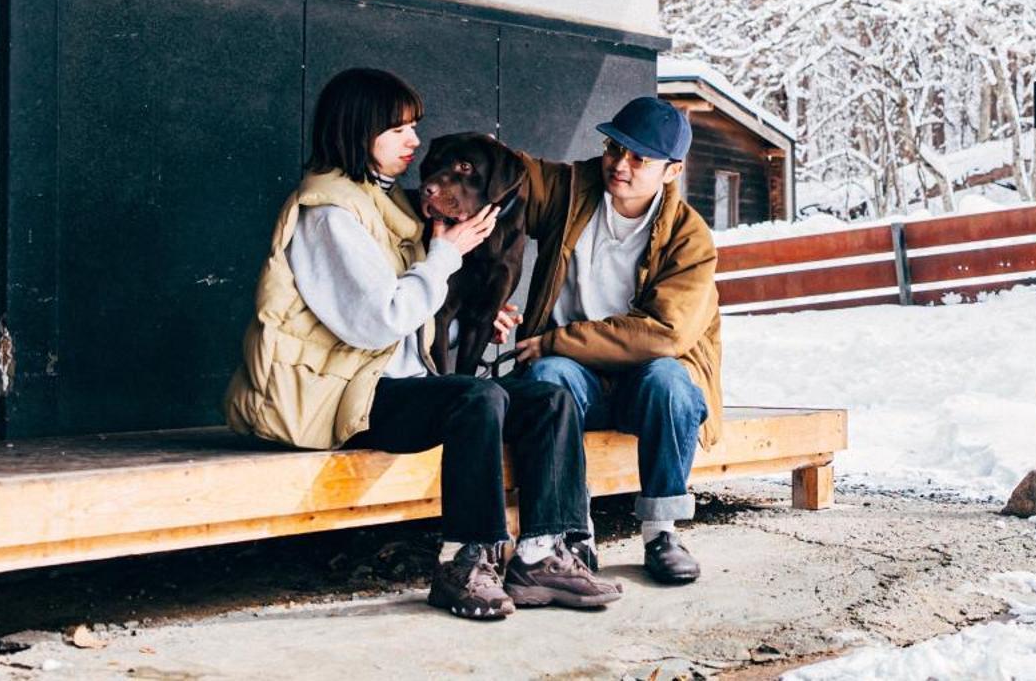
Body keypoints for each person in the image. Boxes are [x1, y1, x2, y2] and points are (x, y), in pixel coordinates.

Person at [224, 67, 621, 620]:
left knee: (547, 398)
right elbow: (377, 321)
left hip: (392, 383)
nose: (414, 143)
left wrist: (466, 325)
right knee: (475, 398)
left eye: (414, 128)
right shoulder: (329, 213)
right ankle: (464, 561)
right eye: (397, 130)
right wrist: (445, 256)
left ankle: (539, 555)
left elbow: (409, 322)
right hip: (338, 400)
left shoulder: (382, 202)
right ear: (357, 132)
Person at [494, 95, 721, 586]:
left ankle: (662, 532)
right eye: (614, 147)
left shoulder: (690, 237)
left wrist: (559, 339)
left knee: (672, 381)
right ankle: (573, 533)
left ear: (671, 170)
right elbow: (516, 172)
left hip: (642, 381)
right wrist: (481, 154)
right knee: (548, 379)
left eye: (640, 158)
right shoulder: (572, 189)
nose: (620, 164)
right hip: (577, 378)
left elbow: (665, 333)